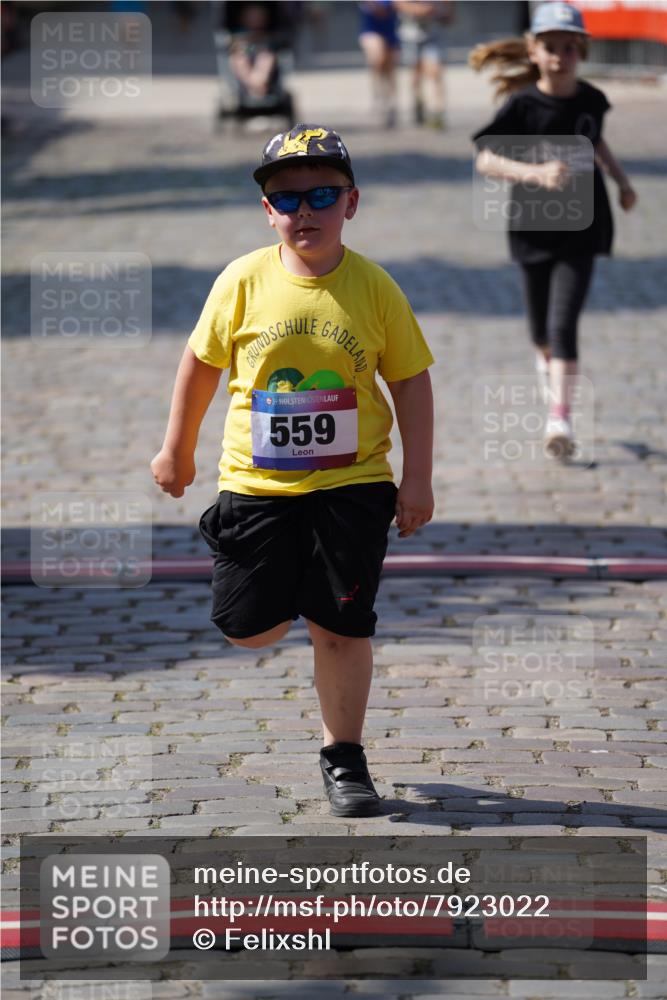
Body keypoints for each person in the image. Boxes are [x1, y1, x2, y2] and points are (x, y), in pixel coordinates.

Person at [150, 124, 435, 817]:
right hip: (257, 484)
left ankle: (345, 758)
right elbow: (200, 366)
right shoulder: (242, 280)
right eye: (286, 199)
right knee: (245, 628)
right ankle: (290, 591)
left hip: (353, 482)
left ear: (351, 202)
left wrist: (417, 476)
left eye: (321, 195)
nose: (304, 211)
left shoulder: (373, 288)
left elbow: (411, 381)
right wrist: (176, 449)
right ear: (267, 211)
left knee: (343, 628)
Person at [470, 1, 637, 459]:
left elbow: (596, 140)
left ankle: (559, 418)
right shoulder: (522, 106)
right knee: (541, 330)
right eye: (550, 47)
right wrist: (535, 174)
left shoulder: (591, 100)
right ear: (533, 51)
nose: (560, 55)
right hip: (532, 229)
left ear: (580, 50)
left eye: (569, 46)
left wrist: (622, 183)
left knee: (564, 325)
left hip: (584, 227)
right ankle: (548, 367)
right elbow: (485, 158)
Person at [396, 0, 453, 129]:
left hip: (434, 32)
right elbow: (399, 4)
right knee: (415, 74)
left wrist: (448, 12)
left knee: (435, 71)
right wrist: (419, 10)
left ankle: (437, 112)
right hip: (411, 33)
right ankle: (418, 103)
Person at [358, 1, 401, 128]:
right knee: (377, 60)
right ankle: (378, 98)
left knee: (390, 71)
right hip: (371, 29)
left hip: (390, 29)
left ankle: (391, 103)